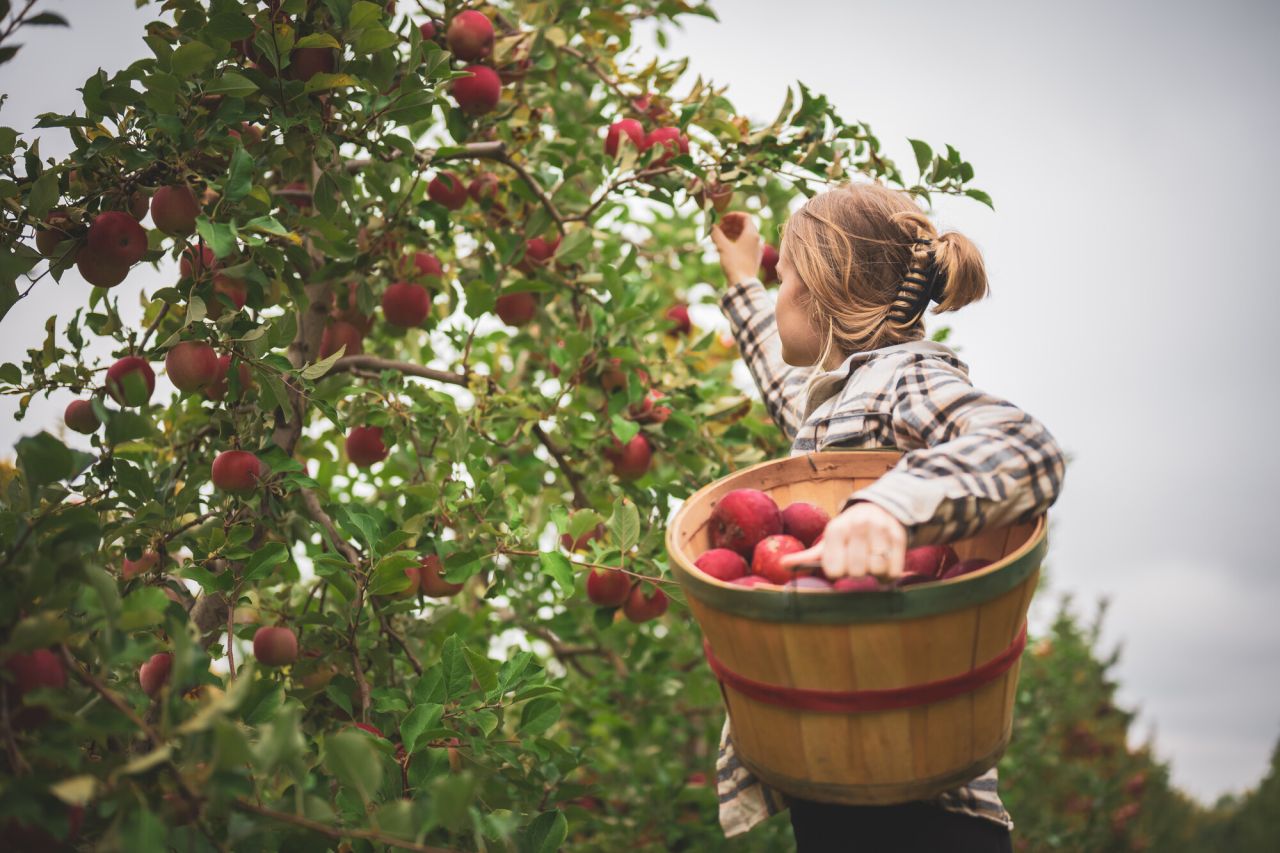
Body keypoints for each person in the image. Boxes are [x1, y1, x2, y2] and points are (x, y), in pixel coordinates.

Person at [708, 181, 1066, 852]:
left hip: (926, 813)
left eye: (780, 279)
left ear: (817, 293)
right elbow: (794, 398)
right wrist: (740, 280)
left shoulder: (908, 376)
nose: (775, 290)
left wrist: (889, 509)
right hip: (844, 781)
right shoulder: (843, 401)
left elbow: (1027, 447)